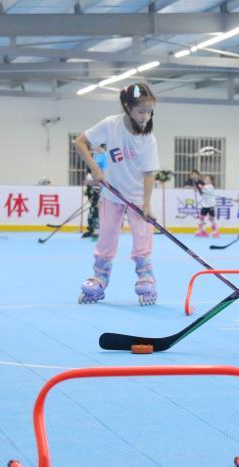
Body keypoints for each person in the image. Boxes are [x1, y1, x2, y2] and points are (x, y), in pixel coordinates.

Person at [74, 83, 160, 306]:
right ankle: (99, 278)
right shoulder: (111, 125)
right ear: (127, 107)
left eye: (149, 111)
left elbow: (149, 173)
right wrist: (96, 169)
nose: (145, 116)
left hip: (138, 198)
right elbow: (80, 142)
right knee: (107, 237)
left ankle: (145, 277)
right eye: (141, 111)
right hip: (112, 194)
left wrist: (148, 204)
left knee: (142, 240)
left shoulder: (148, 139)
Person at [82, 145, 108, 239]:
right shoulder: (95, 156)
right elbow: (93, 172)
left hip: (107, 186)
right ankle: (100, 229)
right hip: (100, 186)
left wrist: (101, 181)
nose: (91, 145)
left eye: (93, 143)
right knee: (100, 206)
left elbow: (106, 172)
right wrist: (92, 181)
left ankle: (104, 230)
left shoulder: (106, 155)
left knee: (104, 208)